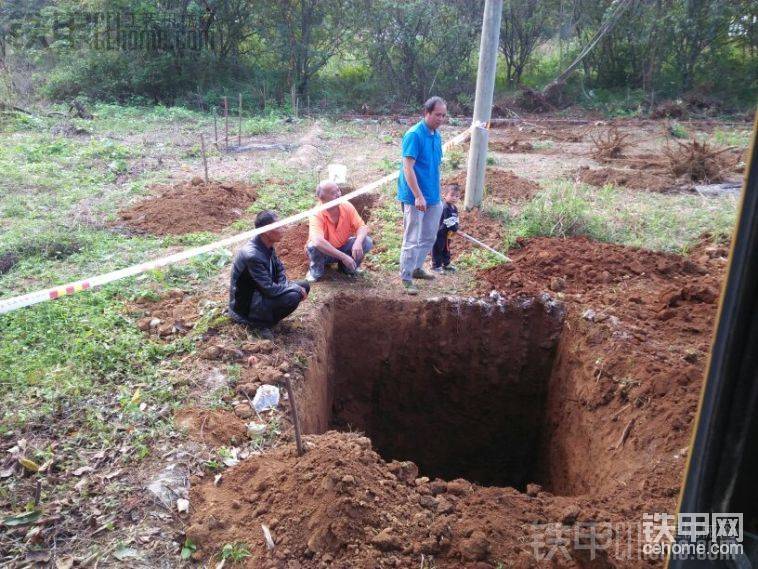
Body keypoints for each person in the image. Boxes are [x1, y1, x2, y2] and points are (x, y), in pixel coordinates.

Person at [228, 210, 309, 337]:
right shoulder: (252, 255)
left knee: (304, 286)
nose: (284, 228)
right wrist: (292, 288)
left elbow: (280, 269)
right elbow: (269, 289)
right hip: (247, 307)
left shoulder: (266, 245)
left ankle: (267, 317)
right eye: (279, 226)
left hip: (261, 293)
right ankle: (259, 324)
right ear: (267, 230)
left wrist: (288, 286)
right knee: (294, 296)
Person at [397, 96, 447, 295]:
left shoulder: (436, 135)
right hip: (414, 197)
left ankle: (417, 268)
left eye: (443, 115)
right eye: (437, 115)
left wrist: (436, 194)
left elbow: (434, 166)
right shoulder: (414, 135)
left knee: (429, 236)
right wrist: (418, 196)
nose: (441, 119)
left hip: (433, 196)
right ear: (426, 113)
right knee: (412, 238)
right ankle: (406, 276)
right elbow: (408, 168)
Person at [306, 181, 372, 282]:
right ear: (321, 199)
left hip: (342, 247)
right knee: (313, 246)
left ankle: (348, 269)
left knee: (366, 241)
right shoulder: (316, 214)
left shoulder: (346, 206)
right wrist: (344, 257)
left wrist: (358, 242)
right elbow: (318, 241)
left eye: (338, 190)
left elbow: (362, 227)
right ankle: (316, 272)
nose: (339, 194)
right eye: (333, 193)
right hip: (325, 254)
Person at [431, 184, 460, 272]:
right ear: (445, 195)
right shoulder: (445, 207)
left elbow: (455, 219)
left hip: (448, 233)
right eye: (452, 195)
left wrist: (456, 226)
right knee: (438, 248)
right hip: (440, 232)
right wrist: (454, 228)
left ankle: (446, 264)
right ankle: (436, 265)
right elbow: (447, 220)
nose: (454, 198)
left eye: (457, 196)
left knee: (446, 248)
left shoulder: (454, 208)